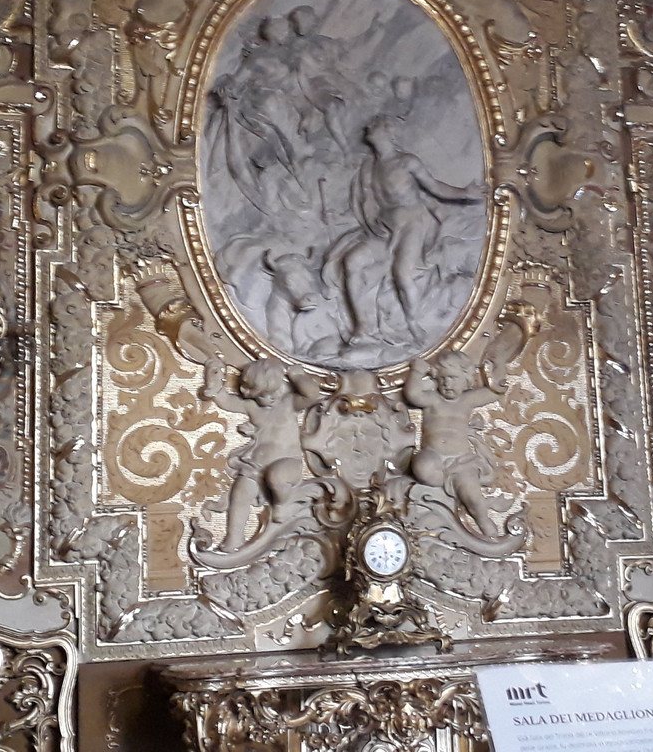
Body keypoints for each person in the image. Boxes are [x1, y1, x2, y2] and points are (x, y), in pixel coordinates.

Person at [325, 115, 484, 344]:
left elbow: (435, 187)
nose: (369, 127)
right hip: (383, 228)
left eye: (375, 125)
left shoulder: (407, 162)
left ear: (388, 131)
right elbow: (365, 201)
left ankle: (412, 322)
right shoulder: (369, 167)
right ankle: (362, 325)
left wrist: (464, 193)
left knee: (402, 274)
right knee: (351, 262)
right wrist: (341, 218)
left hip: (412, 225)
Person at [201, 357, 307, 551]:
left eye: (275, 391)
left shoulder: (288, 404)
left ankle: (283, 505)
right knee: (240, 493)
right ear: (251, 392)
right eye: (264, 395)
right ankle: (234, 539)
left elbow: (312, 395)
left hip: (288, 464)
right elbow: (226, 401)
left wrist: (298, 377)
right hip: (256, 466)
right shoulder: (253, 407)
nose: (271, 398)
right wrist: (213, 382)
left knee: (277, 476)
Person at [405, 351, 499, 536]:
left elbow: (494, 392)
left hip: (461, 461)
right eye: (443, 379)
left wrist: (494, 369)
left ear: (466, 380)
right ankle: (445, 491)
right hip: (434, 456)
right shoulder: (433, 399)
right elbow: (413, 395)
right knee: (422, 467)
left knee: (474, 498)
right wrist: (417, 372)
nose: (447, 384)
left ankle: (483, 521)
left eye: (453, 378)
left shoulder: (467, 400)